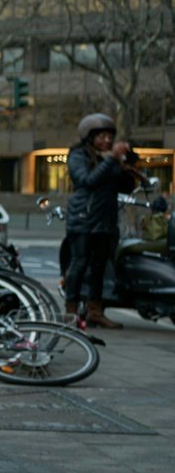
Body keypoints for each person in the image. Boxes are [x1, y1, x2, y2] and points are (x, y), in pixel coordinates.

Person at [63, 113, 140, 330]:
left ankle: (95, 311)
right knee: (79, 264)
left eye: (109, 136)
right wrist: (110, 160)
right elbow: (87, 180)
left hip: (106, 220)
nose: (106, 140)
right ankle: (70, 312)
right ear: (89, 136)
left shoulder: (110, 158)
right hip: (83, 218)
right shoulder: (78, 155)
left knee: (99, 267)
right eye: (101, 136)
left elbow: (125, 187)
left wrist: (128, 165)